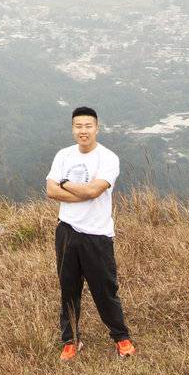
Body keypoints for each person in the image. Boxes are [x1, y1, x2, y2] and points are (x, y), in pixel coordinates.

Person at [45, 106, 135, 361]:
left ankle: (121, 337)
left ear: (96, 128)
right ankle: (71, 340)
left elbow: (93, 191)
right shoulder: (63, 155)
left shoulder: (108, 158)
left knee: (105, 289)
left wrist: (65, 184)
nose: (83, 131)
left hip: (97, 235)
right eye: (78, 126)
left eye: (88, 126)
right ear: (72, 129)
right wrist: (77, 190)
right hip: (66, 231)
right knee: (68, 289)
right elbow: (51, 192)